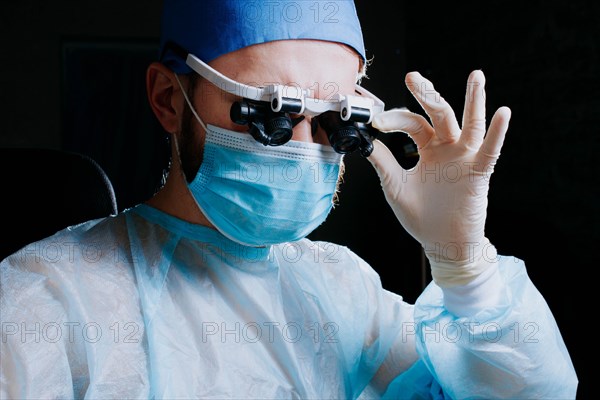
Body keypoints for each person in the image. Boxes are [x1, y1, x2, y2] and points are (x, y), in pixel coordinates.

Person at [0, 1, 578, 398]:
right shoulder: (48, 301)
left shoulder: (342, 290)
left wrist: (464, 267)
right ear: (169, 98)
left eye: (336, 124)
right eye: (270, 116)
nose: (303, 149)